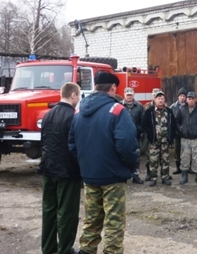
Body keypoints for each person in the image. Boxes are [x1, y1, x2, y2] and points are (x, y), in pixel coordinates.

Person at [69, 72, 139, 254]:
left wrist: (85, 164)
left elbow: (72, 143)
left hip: (90, 176)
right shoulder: (117, 110)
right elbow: (127, 144)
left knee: (91, 219)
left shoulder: (78, 112)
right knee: (114, 222)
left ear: (95, 87)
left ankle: (87, 250)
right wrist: (131, 166)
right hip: (113, 177)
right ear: (113, 88)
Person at [39, 82, 82, 254]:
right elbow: (76, 145)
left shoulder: (48, 114)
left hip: (48, 168)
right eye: (78, 96)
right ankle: (65, 249)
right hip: (67, 171)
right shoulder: (73, 116)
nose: (78, 99)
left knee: (49, 210)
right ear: (73, 95)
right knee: (67, 212)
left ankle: (48, 248)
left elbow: (44, 140)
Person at [142, 91, 176, 187]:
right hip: (154, 141)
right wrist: (149, 134)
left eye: (162, 98)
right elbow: (144, 125)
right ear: (155, 100)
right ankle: (153, 178)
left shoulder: (169, 111)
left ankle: (165, 177)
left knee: (165, 160)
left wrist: (171, 137)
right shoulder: (150, 111)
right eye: (158, 98)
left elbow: (173, 125)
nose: (160, 100)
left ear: (164, 100)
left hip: (165, 141)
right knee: (153, 161)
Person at [175, 91, 197, 184]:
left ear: (195, 99)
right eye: (189, 98)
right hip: (185, 138)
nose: (190, 100)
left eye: (192, 98)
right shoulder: (182, 109)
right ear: (187, 99)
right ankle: (184, 176)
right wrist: (181, 129)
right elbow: (177, 121)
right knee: (184, 157)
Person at [121, 87, 145, 185]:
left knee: (136, 156)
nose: (129, 97)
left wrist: (139, 129)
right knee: (122, 156)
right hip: (122, 137)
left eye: (131, 95)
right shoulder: (119, 105)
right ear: (124, 95)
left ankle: (135, 176)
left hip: (136, 136)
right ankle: (124, 176)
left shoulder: (139, 106)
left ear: (134, 95)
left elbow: (143, 120)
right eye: (127, 95)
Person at [171, 87, 188, 175]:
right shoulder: (173, 107)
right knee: (177, 150)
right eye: (181, 96)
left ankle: (187, 167)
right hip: (177, 133)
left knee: (187, 150)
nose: (182, 97)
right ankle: (178, 168)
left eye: (184, 96)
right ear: (178, 97)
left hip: (186, 133)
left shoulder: (189, 106)